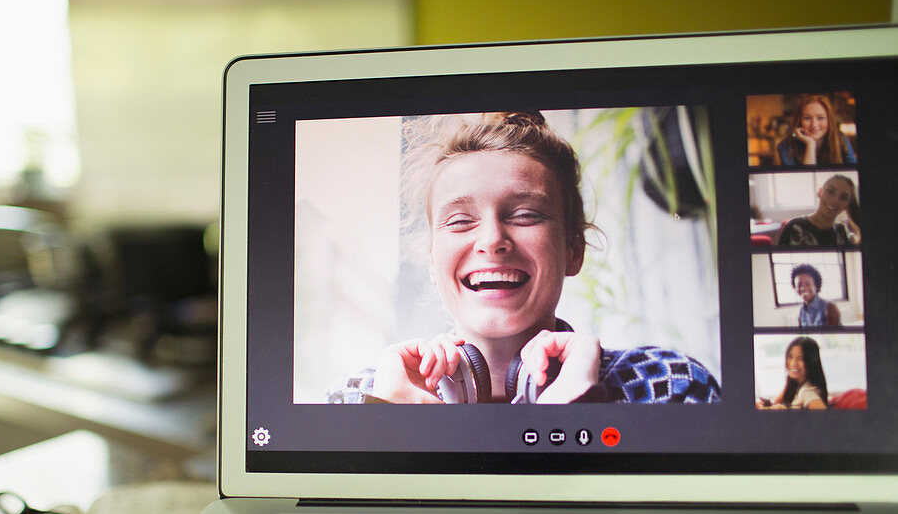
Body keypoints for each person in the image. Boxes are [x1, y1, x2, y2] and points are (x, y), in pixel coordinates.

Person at [326, 111, 720, 404]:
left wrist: (577, 416)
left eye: (526, 215)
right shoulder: (358, 399)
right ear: (431, 262)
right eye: (461, 220)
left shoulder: (667, 385)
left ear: (573, 249)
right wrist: (393, 427)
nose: (493, 240)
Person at [777, 174, 861, 246]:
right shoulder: (794, 226)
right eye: (830, 191)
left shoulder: (842, 230)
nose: (834, 201)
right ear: (820, 192)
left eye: (843, 197)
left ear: (847, 205)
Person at [775, 94, 857, 166]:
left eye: (820, 118)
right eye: (807, 118)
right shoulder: (785, 147)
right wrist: (810, 144)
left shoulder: (841, 139)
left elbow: (853, 172)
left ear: (829, 120)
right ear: (799, 121)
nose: (814, 125)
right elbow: (805, 180)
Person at [756, 336, 828, 410]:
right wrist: (764, 406)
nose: (793, 363)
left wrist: (785, 412)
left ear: (811, 362)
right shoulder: (794, 383)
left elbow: (826, 419)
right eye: (790, 357)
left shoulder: (808, 392)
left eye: (801, 358)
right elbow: (776, 403)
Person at [790, 263, 841, 328]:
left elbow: (835, 337)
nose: (803, 288)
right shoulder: (801, 312)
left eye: (808, 284)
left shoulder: (830, 308)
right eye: (799, 285)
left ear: (816, 286)